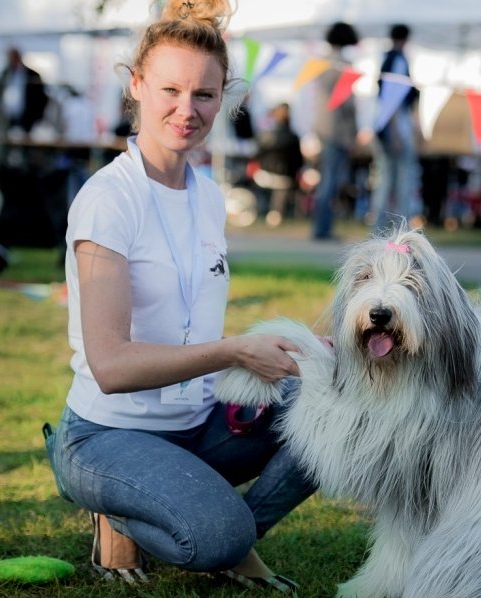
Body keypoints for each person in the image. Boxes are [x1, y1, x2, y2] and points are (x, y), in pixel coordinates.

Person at [47, 0, 316, 593]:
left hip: (197, 426)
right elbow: (112, 367)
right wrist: (235, 352)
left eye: (204, 95)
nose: (186, 110)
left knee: (332, 405)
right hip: (107, 435)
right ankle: (131, 513)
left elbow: (191, 322)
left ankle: (220, 522)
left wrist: (303, 350)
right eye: (170, 89)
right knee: (216, 535)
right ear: (137, 85)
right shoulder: (107, 201)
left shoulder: (208, 195)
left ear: (224, 99)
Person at [310, 21, 360, 240]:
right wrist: (354, 132)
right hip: (338, 130)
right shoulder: (343, 65)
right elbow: (347, 104)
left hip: (322, 126)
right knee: (331, 181)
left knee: (326, 179)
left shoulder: (320, 64)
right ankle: (322, 228)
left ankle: (322, 226)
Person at [368, 23, 420, 231]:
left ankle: (379, 228)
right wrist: (396, 132)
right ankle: (400, 228)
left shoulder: (385, 59)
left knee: (386, 179)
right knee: (399, 181)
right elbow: (394, 100)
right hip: (395, 129)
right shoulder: (398, 61)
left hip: (385, 128)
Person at [254, 102, 304, 226]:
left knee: (280, 184)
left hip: (264, 174)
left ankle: (265, 210)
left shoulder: (265, 135)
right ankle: (276, 213)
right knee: (283, 183)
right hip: (283, 176)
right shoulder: (293, 136)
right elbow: (298, 162)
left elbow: (257, 155)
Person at [0, 46, 50, 135]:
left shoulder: (33, 75)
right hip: (7, 120)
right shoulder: (4, 74)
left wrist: (38, 118)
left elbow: (42, 98)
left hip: (28, 120)